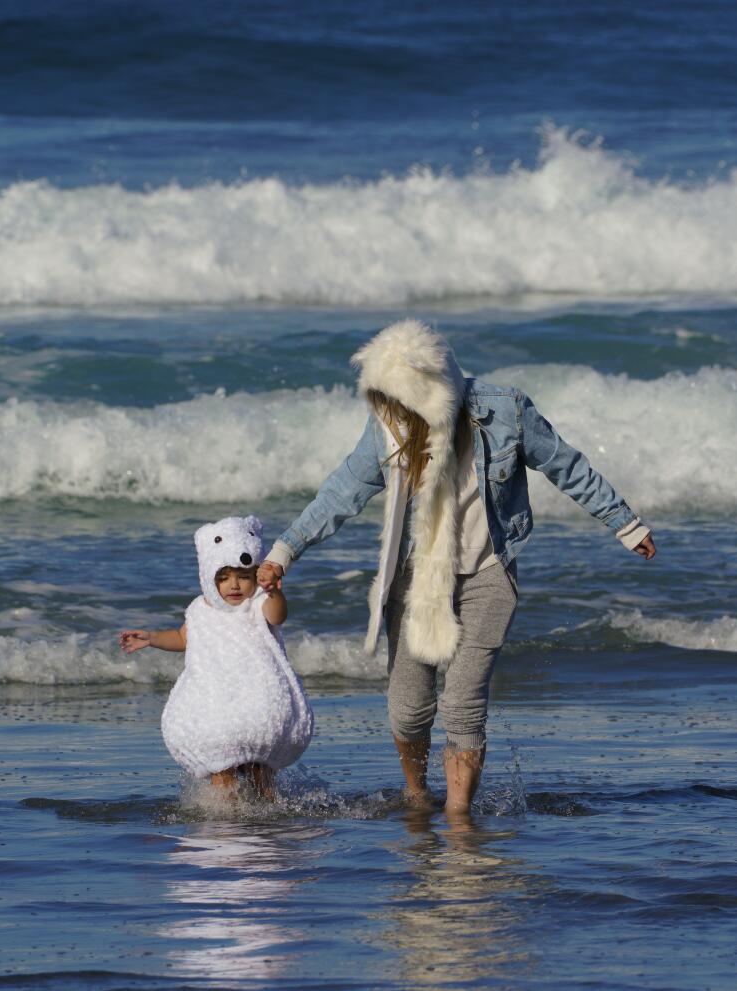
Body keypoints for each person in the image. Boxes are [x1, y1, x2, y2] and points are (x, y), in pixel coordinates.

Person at [257, 320, 655, 814]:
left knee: (462, 702)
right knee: (408, 709)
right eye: (386, 401)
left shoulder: (506, 411)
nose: (395, 412)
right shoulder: (386, 429)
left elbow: (565, 464)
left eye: (404, 401)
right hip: (417, 577)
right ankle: (418, 793)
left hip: (489, 575)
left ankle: (459, 817)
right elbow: (342, 492)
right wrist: (283, 551)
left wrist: (625, 523)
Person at [121, 515, 313, 799]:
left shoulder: (259, 604)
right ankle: (227, 817)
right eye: (223, 578)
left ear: (256, 574)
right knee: (222, 770)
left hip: (258, 706)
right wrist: (151, 638)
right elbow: (184, 638)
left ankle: (272, 815)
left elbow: (278, 616)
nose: (234, 586)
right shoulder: (201, 610)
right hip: (218, 709)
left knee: (260, 771)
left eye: (243, 577)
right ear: (209, 578)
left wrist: (274, 595)